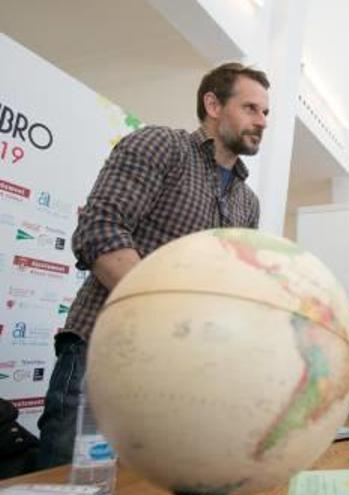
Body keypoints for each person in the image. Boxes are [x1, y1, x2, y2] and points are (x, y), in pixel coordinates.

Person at [37, 62, 270, 468]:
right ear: (213, 104)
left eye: (266, 113)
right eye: (251, 108)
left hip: (179, 378)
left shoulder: (248, 203)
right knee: (71, 482)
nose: (262, 121)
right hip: (105, 355)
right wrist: (171, 314)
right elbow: (100, 230)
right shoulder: (161, 146)